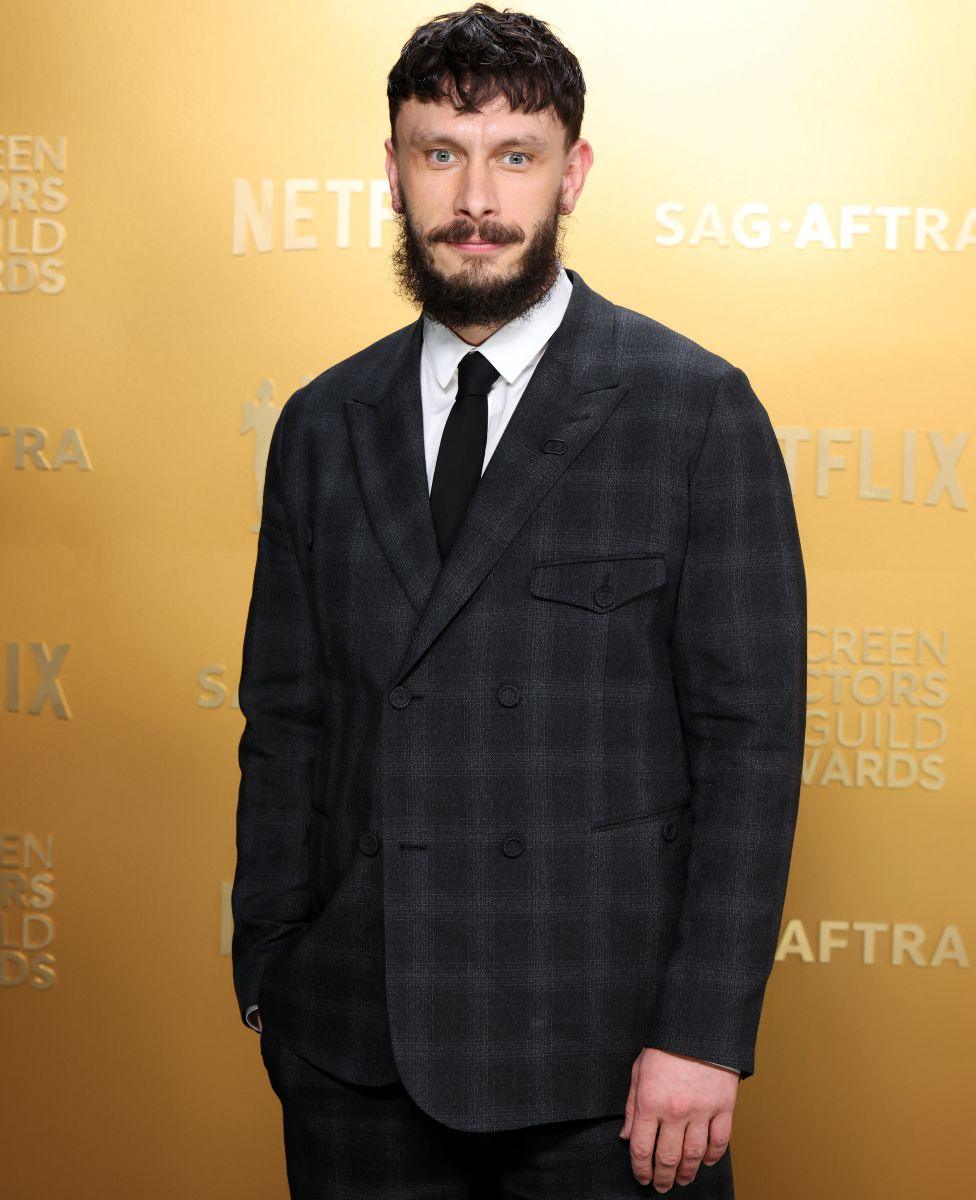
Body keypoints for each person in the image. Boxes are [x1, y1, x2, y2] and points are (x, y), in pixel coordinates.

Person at [231, 4, 807, 1197]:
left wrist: (703, 1033)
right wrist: (270, 968)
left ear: (570, 172)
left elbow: (751, 748)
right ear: (392, 172)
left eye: (513, 156)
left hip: (605, 1056)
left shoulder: (690, 408)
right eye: (440, 153)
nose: (476, 199)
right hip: (351, 1039)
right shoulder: (321, 423)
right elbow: (285, 720)